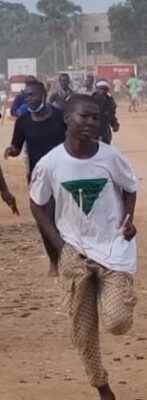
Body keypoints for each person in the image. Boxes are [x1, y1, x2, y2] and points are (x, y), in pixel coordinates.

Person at [29, 94, 139, 400]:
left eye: (96, 118)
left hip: (113, 249)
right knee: (83, 329)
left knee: (117, 322)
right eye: (84, 116)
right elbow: (37, 204)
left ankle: (120, 297)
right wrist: (59, 244)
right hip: (74, 253)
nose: (91, 122)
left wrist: (129, 219)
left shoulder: (111, 157)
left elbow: (130, 188)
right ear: (67, 119)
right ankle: (102, 387)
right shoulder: (50, 164)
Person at [6, 80, 67, 276]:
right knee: (45, 221)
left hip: (65, 175)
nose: (29, 99)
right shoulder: (23, 121)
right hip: (38, 178)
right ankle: (54, 261)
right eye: (26, 96)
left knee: (66, 218)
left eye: (32, 95)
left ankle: (72, 257)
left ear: (44, 94)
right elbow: (17, 145)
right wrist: (12, 150)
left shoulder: (60, 116)